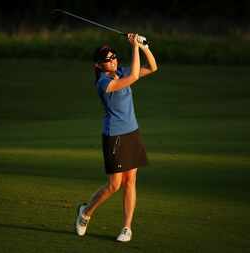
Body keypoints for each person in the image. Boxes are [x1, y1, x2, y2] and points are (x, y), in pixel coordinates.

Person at [75, 33, 158, 242]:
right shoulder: (103, 83)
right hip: (115, 136)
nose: (112, 60)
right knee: (114, 185)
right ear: (99, 65)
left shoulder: (120, 71)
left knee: (131, 181)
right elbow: (135, 77)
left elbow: (153, 67)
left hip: (132, 132)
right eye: (107, 59)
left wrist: (143, 45)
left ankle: (126, 228)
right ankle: (85, 212)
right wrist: (134, 47)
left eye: (113, 56)